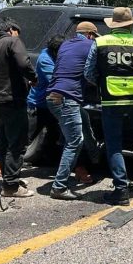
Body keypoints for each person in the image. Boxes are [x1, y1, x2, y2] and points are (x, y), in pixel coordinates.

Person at [85, 7, 133, 206]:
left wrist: (101, 85)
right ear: (131, 25)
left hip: (110, 99)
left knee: (114, 145)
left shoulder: (100, 42)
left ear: (113, 25)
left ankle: (121, 189)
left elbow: (88, 72)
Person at [0, 17, 37, 198]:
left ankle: (8, 179)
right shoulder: (12, 41)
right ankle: (12, 186)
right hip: (12, 101)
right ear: (11, 29)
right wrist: (34, 78)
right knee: (17, 144)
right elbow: (23, 63)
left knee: (3, 143)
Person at [45, 22, 99, 200]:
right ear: (91, 35)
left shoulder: (65, 45)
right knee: (75, 140)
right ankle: (59, 187)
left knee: (84, 121)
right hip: (67, 98)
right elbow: (91, 72)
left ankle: (95, 155)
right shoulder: (91, 45)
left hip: (53, 96)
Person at [21, 34, 66, 169]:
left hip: (52, 104)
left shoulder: (57, 56)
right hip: (38, 105)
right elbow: (55, 80)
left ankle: (49, 162)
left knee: (52, 136)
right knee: (26, 138)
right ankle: (4, 165)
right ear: (54, 50)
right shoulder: (44, 59)